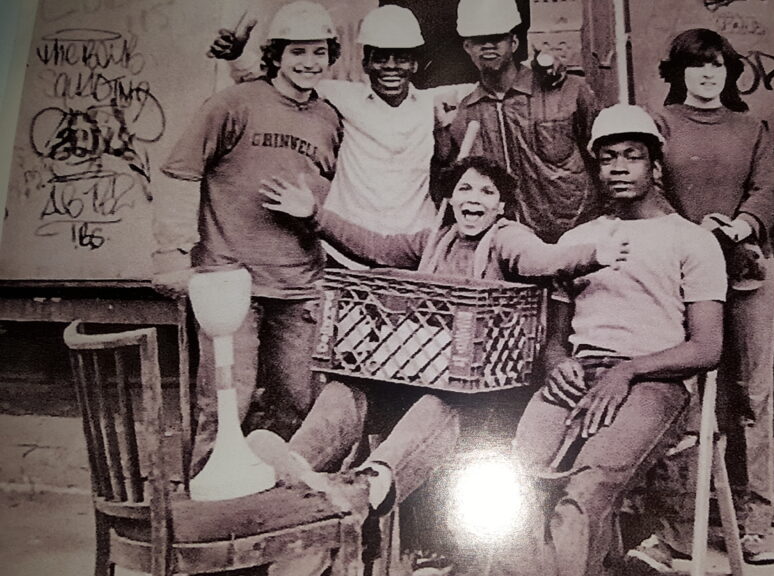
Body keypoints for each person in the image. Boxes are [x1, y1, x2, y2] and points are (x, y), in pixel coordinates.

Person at [253, 154, 629, 575]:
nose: (475, 198)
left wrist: (594, 253)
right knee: (345, 391)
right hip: (419, 379)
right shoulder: (436, 240)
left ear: (500, 207)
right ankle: (287, 480)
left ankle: (368, 487)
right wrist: (315, 215)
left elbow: (540, 260)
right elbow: (375, 247)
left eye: (487, 192)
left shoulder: (508, 239)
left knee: (434, 404)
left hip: (481, 401)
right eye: (465, 188)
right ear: (449, 198)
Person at [490, 104, 727, 576]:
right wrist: (558, 364)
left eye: (631, 156)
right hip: (580, 377)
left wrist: (628, 370)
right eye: (607, 158)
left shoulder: (691, 240)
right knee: (516, 486)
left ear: (655, 166)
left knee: (585, 489)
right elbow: (556, 339)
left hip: (655, 383)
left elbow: (706, 348)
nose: (618, 167)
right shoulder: (580, 241)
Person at [153, 0, 344, 473]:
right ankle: (207, 517)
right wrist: (173, 254)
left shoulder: (329, 117)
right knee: (224, 407)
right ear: (275, 54)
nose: (308, 62)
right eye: (296, 51)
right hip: (229, 281)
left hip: (301, 285)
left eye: (318, 52)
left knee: (298, 407)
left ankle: (272, 520)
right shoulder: (232, 104)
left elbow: (329, 193)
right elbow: (180, 172)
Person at [629, 28, 774, 568]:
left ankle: (756, 522)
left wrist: (739, 226)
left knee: (753, 394)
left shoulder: (751, 127)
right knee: (687, 395)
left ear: (730, 71)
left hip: (748, 269)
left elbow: (767, 188)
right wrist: (696, 230)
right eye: (696, 66)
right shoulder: (660, 123)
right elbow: (654, 189)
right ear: (679, 73)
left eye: (717, 66)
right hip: (682, 272)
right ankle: (676, 529)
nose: (708, 75)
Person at [209, 4, 473, 240]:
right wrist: (237, 55)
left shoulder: (433, 103)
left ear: (415, 65)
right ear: (365, 63)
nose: (391, 67)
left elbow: (494, 84)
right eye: (380, 58)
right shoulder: (342, 97)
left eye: (401, 58)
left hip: (415, 243)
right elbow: (280, 82)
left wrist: (442, 129)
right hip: (348, 244)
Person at [446, 0, 601, 243]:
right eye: (478, 39)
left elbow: (604, 159)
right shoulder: (465, 115)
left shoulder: (569, 91)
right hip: (511, 248)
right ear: (467, 47)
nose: (488, 45)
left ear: (514, 42)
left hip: (579, 239)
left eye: (497, 37)